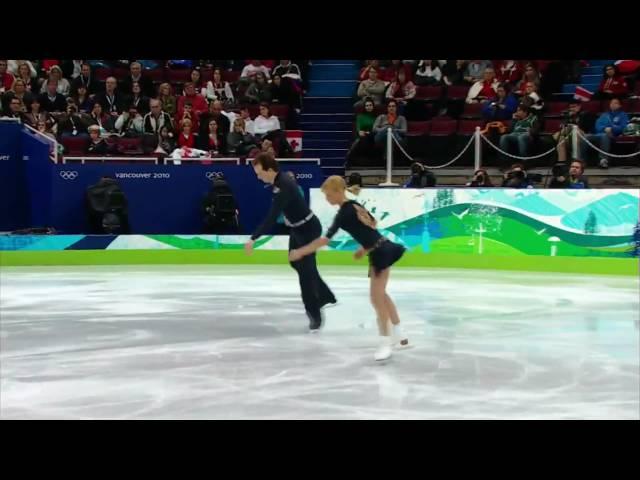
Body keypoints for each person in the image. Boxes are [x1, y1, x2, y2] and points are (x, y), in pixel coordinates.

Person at [289, 175, 408, 361]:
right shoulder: (354, 205)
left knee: (376, 299)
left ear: (338, 191)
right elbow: (372, 225)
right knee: (382, 295)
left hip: (381, 252)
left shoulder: (344, 212)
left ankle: (386, 343)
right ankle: (400, 335)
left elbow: (324, 240)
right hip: (382, 248)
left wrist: (301, 252)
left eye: (328, 195)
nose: (327, 199)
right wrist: (365, 247)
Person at [244, 153, 337, 332]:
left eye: (260, 173)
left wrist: (253, 238)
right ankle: (325, 295)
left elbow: (272, 216)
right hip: (298, 229)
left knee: (306, 274)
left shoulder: (283, 186)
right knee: (295, 263)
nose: (258, 177)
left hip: (308, 230)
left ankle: (314, 314)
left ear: (270, 170)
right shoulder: (279, 181)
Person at [581, 97, 629, 169]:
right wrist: (604, 128)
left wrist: (612, 128)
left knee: (604, 136)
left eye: (615, 103)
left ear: (620, 105)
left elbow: (623, 127)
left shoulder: (623, 115)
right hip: (599, 135)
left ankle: (603, 160)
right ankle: (582, 161)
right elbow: (597, 125)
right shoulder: (605, 114)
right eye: (611, 103)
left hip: (613, 136)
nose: (612, 104)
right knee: (586, 137)